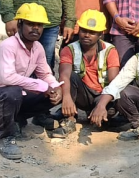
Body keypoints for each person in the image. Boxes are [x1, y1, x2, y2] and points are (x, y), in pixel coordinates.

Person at [0, 3, 61, 160]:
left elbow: (45, 74)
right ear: (20, 24)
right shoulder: (8, 46)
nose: (36, 28)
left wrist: (54, 88)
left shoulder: (38, 47)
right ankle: (6, 137)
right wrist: (43, 86)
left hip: (13, 96)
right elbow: (7, 78)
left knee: (56, 92)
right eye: (30, 24)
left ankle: (17, 120)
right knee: (12, 91)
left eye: (39, 25)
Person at [52, 10, 121, 139]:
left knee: (110, 112)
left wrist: (101, 105)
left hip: (102, 95)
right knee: (70, 77)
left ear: (100, 34)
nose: (87, 35)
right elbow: (64, 75)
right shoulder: (69, 49)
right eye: (84, 30)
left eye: (92, 32)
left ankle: (101, 116)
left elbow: (114, 83)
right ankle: (69, 120)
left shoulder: (110, 50)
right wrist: (66, 98)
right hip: (82, 94)